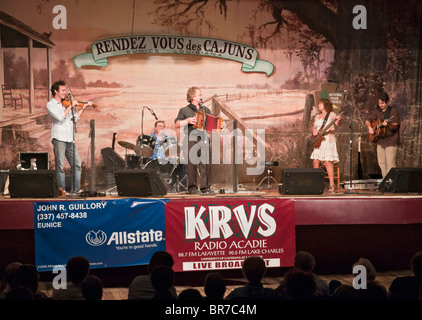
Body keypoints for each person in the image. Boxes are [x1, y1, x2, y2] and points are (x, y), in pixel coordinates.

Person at [46, 80, 92, 194]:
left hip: (70, 139)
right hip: (59, 138)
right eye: (63, 90)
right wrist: (71, 105)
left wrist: (83, 108)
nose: (65, 92)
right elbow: (60, 117)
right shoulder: (50, 105)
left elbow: (74, 119)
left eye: (65, 90)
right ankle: (62, 190)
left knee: (77, 164)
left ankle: (76, 190)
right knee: (60, 166)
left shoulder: (66, 105)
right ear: (56, 91)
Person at [174, 86, 214, 195]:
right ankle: (192, 188)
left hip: (204, 138)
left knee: (206, 163)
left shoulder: (205, 110)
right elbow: (177, 124)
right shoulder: (184, 110)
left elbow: (211, 125)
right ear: (193, 97)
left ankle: (205, 188)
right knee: (191, 164)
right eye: (200, 95)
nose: (202, 96)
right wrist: (187, 120)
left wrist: (219, 125)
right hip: (191, 138)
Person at [365, 92, 400, 178]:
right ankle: (385, 183)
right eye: (379, 103)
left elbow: (395, 125)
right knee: (382, 164)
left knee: (390, 164)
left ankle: (392, 183)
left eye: (383, 103)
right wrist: (370, 127)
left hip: (391, 142)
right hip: (380, 142)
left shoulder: (393, 112)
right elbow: (367, 120)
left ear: (387, 102)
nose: (381, 105)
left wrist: (387, 124)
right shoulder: (377, 111)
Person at [310, 98, 342, 193]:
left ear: (325, 105)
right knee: (316, 160)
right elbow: (314, 127)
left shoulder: (332, 114)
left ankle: (332, 185)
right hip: (319, 140)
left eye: (320, 104)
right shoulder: (317, 116)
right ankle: (317, 183)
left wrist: (339, 120)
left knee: (327, 161)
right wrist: (314, 131)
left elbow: (337, 125)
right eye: (318, 104)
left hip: (328, 139)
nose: (319, 106)